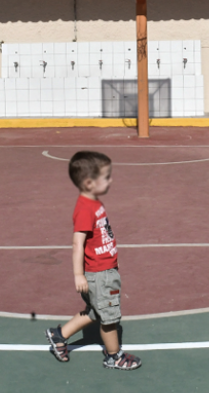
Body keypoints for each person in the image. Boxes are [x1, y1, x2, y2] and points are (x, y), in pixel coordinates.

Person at [45, 151, 142, 371]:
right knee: (109, 319)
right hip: (99, 274)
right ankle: (114, 356)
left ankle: (59, 336)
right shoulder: (85, 209)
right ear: (89, 183)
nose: (111, 180)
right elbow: (77, 243)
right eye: (106, 177)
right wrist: (79, 274)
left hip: (104, 271)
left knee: (95, 311)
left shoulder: (93, 204)